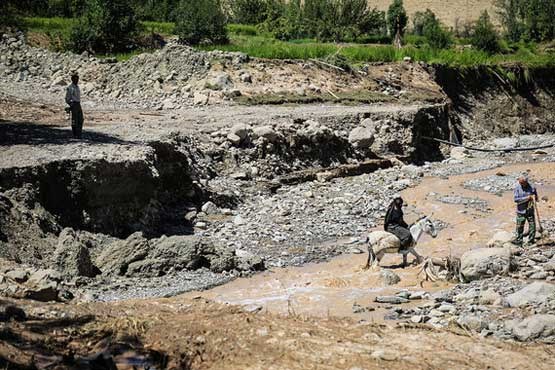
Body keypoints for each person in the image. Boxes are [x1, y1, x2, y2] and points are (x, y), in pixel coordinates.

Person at [512, 175, 538, 246]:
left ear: (526, 182)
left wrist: (535, 198)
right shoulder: (517, 188)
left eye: (523, 183)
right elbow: (516, 199)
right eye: (520, 183)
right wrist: (526, 198)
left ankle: (531, 241)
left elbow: (535, 195)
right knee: (520, 226)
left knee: (532, 226)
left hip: (530, 210)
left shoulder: (532, 187)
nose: (522, 185)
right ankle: (519, 241)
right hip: (521, 211)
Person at [65, 73, 83, 139]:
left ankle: (79, 133)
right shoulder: (70, 88)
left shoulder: (77, 86)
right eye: (75, 79)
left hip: (78, 103)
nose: (77, 80)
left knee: (80, 119)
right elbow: (67, 98)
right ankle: (75, 134)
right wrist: (70, 104)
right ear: (72, 79)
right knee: (74, 120)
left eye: (77, 79)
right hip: (74, 104)